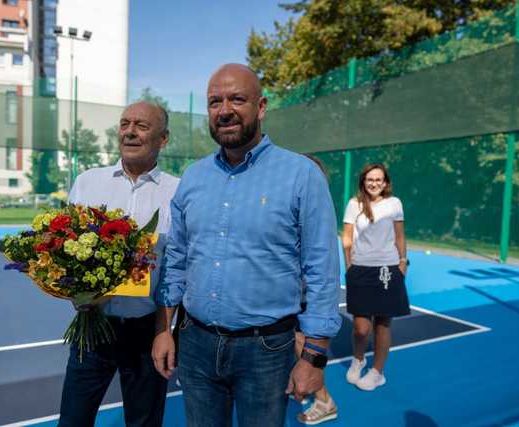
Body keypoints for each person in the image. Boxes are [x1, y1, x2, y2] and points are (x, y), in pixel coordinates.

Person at [152, 64, 341, 427]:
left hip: (266, 352)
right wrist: (164, 330)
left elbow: (321, 270)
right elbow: (176, 261)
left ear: (261, 106)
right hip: (195, 343)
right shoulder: (193, 177)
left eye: (237, 99)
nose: (224, 110)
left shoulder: (302, 175)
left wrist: (313, 358)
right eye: (214, 102)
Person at [57, 101, 180, 427]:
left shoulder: (177, 192)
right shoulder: (87, 182)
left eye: (142, 126)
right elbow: (65, 248)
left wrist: (163, 330)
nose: (130, 132)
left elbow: (176, 270)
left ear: (163, 139)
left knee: (144, 422)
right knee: (72, 420)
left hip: (146, 332)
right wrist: (76, 293)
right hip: (93, 328)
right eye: (125, 124)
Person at [342, 163, 410, 392]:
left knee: (382, 325)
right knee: (361, 328)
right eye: (370, 179)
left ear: (385, 182)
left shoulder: (394, 203)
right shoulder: (354, 204)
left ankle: (377, 372)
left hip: (388, 270)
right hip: (360, 270)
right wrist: (349, 266)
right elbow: (347, 238)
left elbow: (400, 235)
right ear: (363, 181)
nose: (374, 183)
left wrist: (402, 262)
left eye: (379, 180)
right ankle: (358, 358)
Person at [295, 155, 338, 425]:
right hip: (296, 293)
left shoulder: (317, 214)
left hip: (307, 294)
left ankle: (325, 401)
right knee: (294, 342)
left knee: (302, 343)